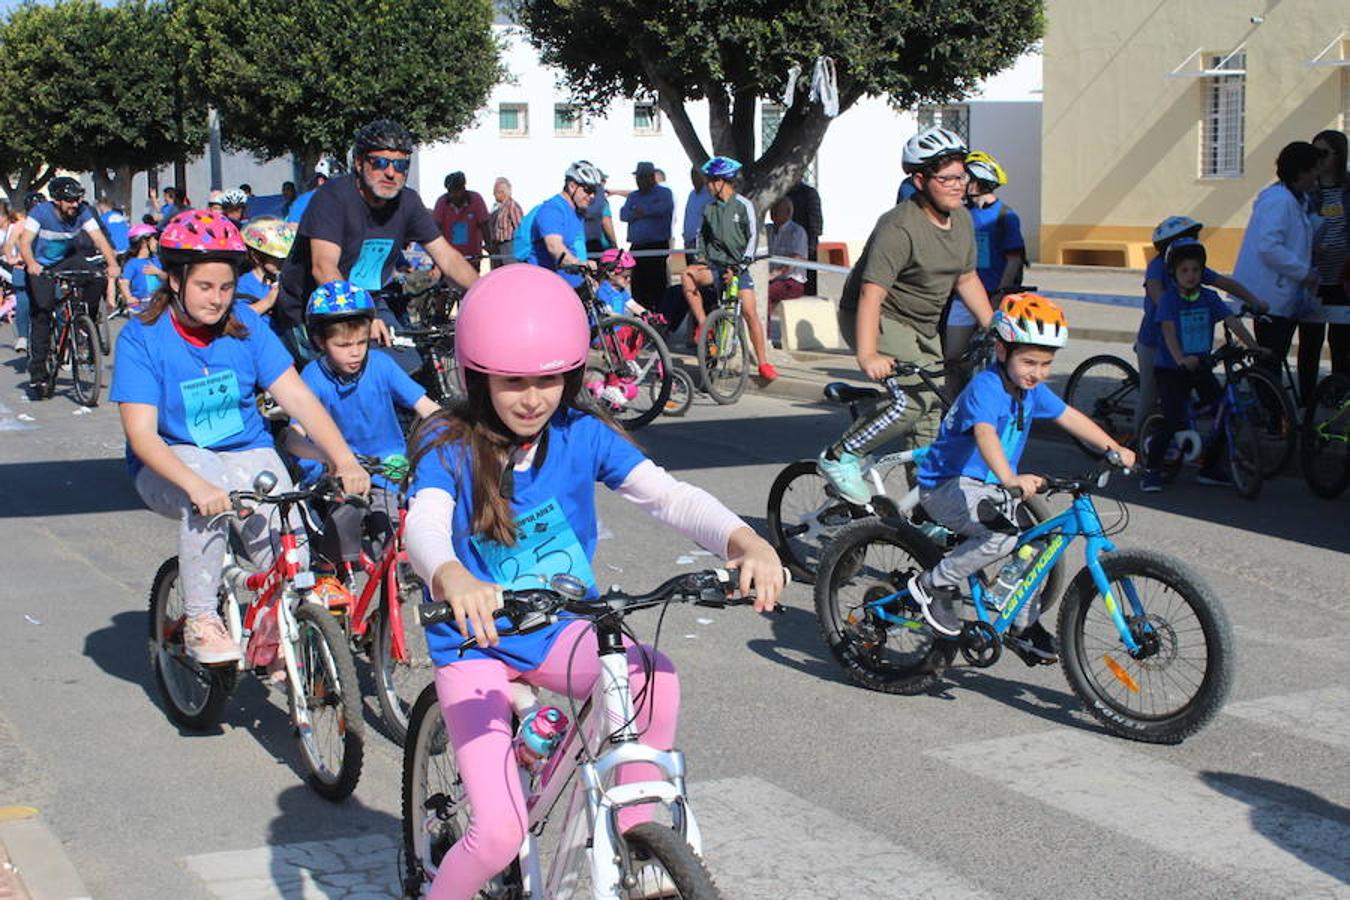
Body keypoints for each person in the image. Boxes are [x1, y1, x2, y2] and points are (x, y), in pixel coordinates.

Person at [402, 264, 783, 899]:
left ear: (572, 374)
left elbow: (668, 496)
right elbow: (426, 524)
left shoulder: (582, 434)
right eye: (513, 381)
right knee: (498, 834)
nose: (533, 397)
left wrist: (747, 542)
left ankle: (635, 845)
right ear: (477, 377)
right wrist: (449, 574)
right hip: (475, 641)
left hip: (557, 628)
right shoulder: (451, 442)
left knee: (653, 674)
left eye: (549, 378)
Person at [110, 209, 369, 664]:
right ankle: (200, 618)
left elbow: (301, 400)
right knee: (206, 481)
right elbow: (142, 435)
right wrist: (198, 487)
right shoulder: (142, 338)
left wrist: (343, 459)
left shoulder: (247, 325)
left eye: (226, 287)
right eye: (205, 287)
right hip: (171, 462)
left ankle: (278, 634)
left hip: (247, 453)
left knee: (290, 546)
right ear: (175, 280)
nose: (217, 299)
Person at [908, 295, 1136, 654]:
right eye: (1029, 361)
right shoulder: (987, 387)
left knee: (1035, 544)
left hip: (989, 489)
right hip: (947, 486)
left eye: (1046, 363)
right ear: (1001, 351)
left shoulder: (1030, 391)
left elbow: (1069, 417)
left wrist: (1113, 447)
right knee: (1001, 537)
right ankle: (933, 584)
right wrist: (1009, 478)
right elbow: (984, 433)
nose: (1038, 372)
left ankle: (1022, 625)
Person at [818, 127, 993, 504]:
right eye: (947, 178)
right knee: (912, 400)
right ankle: (840, 456)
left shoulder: (961, 220)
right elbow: (871, 293)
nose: (958, 185)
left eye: (962, 176)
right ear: (920, 180)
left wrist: (994, 325)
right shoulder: (898, 227)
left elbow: (966, 278)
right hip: (878, 316)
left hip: (922, 324)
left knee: (934, 408)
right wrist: (868, 354)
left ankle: (926, 501)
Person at [276, 118, 479, 365]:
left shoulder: (409, 202)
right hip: (311, 306)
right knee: (344, 382)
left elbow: (448, 258)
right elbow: (323, 266)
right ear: (359, 163)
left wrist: (487, 295)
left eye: (401, 165)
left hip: (370, 300)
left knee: (411, 370)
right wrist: (362, 318)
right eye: (380, 163)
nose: (391, 172)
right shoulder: (332, 198)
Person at [285, 280, 439, 552]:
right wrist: (328, 458)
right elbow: (292, 440)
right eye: (343, 345)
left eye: (361, 342)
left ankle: (394, 587)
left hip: (387, 465)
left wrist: (458, 433)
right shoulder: (312, 376)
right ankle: (331, 573)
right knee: (342, 531)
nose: (355, 352)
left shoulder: (381, 364)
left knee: (394, 533)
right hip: (335, 472)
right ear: (320, 341)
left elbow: (427, 408)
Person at [1141, 239, 1264, 492]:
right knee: (1173, 419)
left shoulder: (1209, 297)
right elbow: (1169, 332)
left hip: (1200, 366)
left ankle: (1209, 468)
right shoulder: (1169, 300)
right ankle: (1151, 470)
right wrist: (1180, 359)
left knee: (1223, 410)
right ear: (1174, 273)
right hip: (1171, 368)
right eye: (1184, 270)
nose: (1191, 275)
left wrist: (1254, 345)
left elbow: (1231, 321)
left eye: (1196, 270)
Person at [1134, 215, 1266, 440]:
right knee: (1149, 396)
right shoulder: (1158, 267)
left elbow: (1225, 283)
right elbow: (1156, 294)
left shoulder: (1191, 267)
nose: (1190, 273)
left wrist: (1253, 299)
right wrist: (1175, 305)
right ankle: (1138, 446)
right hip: (1156, 344)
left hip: (1189, 345)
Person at [18, 176, 121, 398]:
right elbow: (24, 242)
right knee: (42, 312)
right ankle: (38, 374)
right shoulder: (40, 213)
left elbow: (99, 239)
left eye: (76, 199)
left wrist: (112, 264)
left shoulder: (82, 211)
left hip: (67, 259)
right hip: (41, 265)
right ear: (56, 200)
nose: (74, 204)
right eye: (69, 201)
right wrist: (32, 264)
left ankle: (86, 320)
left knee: (96, 277)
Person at [1232, 141, 1321, 389]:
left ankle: (1274, 414)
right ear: (1302, 172)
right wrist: (1304, 274)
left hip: (1280, 296)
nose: (1317, 176)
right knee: (1268, 361)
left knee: (1273, 359)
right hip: (1269, 297)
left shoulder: (1295, 200)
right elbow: (1269, 247)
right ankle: (1270, 417)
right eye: (1314, 169)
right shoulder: (1279, 201)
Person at [684, 156, 778, 381]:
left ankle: (763, 363)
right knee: (687, 276)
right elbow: (702, 238)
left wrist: (739, 266)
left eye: (710, 181)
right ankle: (703, 325)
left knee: (749, 311)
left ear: (721, 182)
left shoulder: (744, 205)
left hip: (738, 267)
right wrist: (702, 259)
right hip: (715, 266)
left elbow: (752, 237)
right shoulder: (709, 208)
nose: (707, 185)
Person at [943, 151, 1025, 398]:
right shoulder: (959, 213)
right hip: (961, 298)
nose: (961, 184)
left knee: (997, 360)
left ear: (979, 180)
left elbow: (1014, 260)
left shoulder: (1005, 216)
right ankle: (949, 410)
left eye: (966, 178)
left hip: (994, 298)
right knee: (953, 360)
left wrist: (1000, 294)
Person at [1304, 129, 1349, 391]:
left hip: (1343, 279)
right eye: (1314, 152)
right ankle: (1308, 397)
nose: (1318, 159)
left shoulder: (1348, 187)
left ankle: (1339, 394)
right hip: (1314, 277)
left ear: (1338, 155)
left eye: (1323, 153)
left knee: (1342, 342)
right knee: (1311, 340)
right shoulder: (1308, 190)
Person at [521, 160, 605, 287]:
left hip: (569, 285)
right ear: (572, 186)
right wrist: (580, 264)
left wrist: (586, 275)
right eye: (588, 190)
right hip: (546, 284)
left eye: (595, 191)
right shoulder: (553, 209)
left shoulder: (577, 213)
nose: (592, 196)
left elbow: (575, 249)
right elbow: (554, 247)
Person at [619, 161, 674, 310]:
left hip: (656, 245)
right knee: (638, 283)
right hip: (637, 245)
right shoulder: (633, 196)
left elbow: (662, 209)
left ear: (651, 177)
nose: (639, 181)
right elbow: (623, 214)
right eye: (638, 177)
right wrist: (637, 212)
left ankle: (660, 316)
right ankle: (640, 317)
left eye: (642, 177)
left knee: (657, 284)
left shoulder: (664, 193)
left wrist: (642, 211)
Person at [237, 217, 297, 317]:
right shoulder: (242, 286)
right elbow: (236, 320)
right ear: (256, 257)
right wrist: (268, 302)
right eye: (278, 259)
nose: (284, 263)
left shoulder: (289, 279)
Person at [432, 172, 490, 264]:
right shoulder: (442, 202)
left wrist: (489, 245)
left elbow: (485, 225)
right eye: (451, 191)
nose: (454, 195)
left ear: (463, 188)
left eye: (457, 191)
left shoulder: (476, 199)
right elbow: (435, 229)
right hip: (450, 258)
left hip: (472, 257)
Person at [766, 196, 808, 305]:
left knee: (765, 292)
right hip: (770, 279)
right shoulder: (767, 230)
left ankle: (764, 322)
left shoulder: (797, 232)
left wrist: (775, 273)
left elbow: (796, 259)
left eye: (777, 209)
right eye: (772, 209)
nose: (773, 212)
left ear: (788, 212)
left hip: (791, 282)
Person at [785, 179, 823, 295]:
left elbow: (816, 223)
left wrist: (811, 248)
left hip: (806, 243)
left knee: (808, 283)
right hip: (787, 242)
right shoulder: (784, 192)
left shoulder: (809, 193)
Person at [117, 223, 163, 315]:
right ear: (144, 242)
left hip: (158, 304)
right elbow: (124, 283)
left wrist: (158, 272)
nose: (157, 243)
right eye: (154, 239)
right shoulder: (132, 263)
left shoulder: (156, 260)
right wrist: (129, 297)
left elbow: (168, 278)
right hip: (139, 306)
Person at [485, 177, 522, 269]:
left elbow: (520, 228)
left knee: (510, 272)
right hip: (498, 247)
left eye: (495, 192)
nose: (493, 195)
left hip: (509, 246)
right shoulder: (497, 209)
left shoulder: (512, 206)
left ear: (502, 192)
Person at [596, 248, 645, 316]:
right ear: (610, 273)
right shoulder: (603, 292)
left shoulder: (621, 291)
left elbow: (633, 305)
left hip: (621, 324)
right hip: (610, 325)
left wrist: (646, 315)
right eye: (625, 277)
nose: (629, 279)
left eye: (630, 276)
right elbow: (609, 313)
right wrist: (630, 322)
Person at [584, 172, 617, 257]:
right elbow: (606, 222)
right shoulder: (601, 202)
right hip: (600, 245)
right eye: (603, 180)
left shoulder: (582, 201)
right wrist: (614, 243)